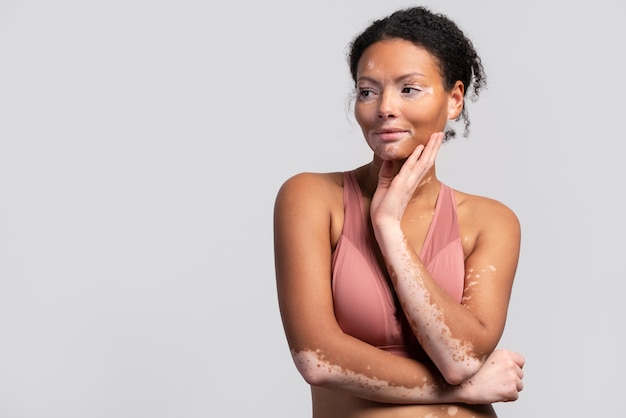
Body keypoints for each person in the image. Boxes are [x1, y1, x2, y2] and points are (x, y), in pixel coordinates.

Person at [273, 6, 525, 418]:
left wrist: (388, 228)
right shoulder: (310, 197)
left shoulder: (491, 221)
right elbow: (316, 359)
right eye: (368, 91)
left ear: (454, 99)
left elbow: (459, 358)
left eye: (409, 89)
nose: (384, 107)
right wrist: (460, 391)